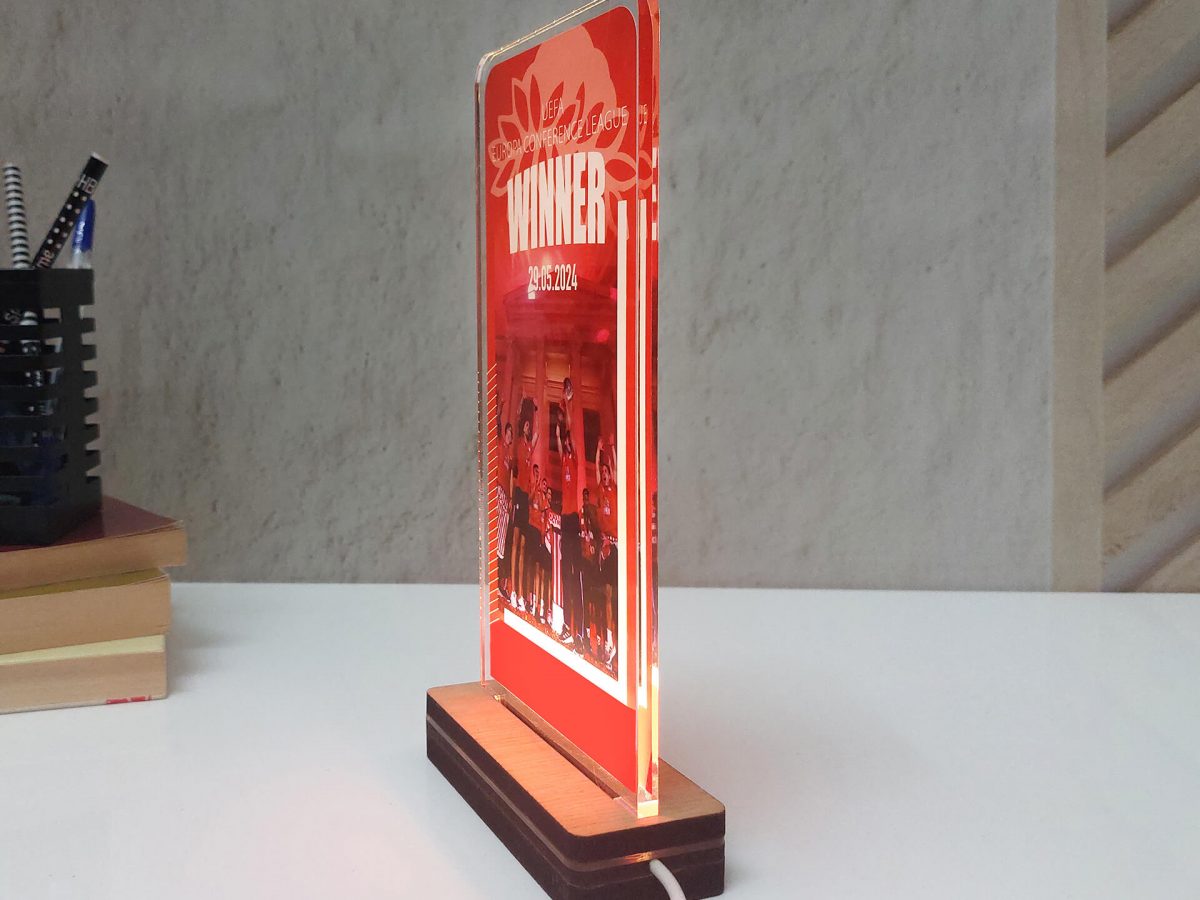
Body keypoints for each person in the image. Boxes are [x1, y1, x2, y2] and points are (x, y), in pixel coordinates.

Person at [556, 422, 584, 648]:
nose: (566, 445)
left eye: (568, 443)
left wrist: (568, 409)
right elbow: (559, 441)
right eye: (564, 443)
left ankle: (580, 633)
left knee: (575, 577)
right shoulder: (564, 461)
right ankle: (567, 626)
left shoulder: (573, 461)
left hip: (574, 521)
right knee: (566, 575)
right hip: (565, 521)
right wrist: (559, 432)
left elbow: (571, 440)